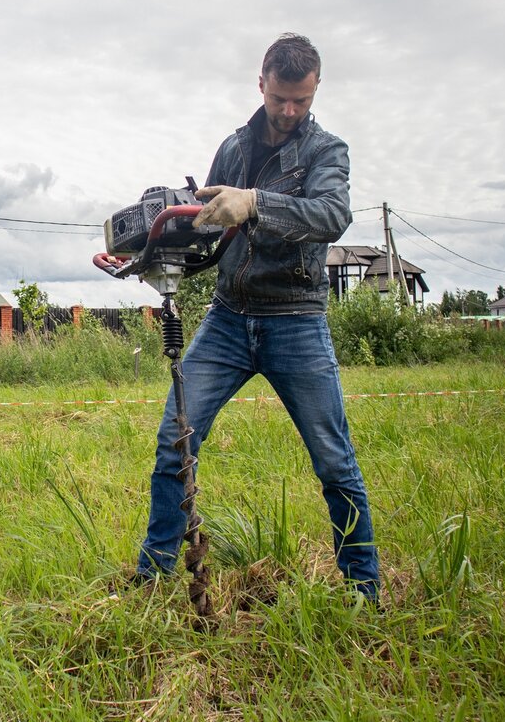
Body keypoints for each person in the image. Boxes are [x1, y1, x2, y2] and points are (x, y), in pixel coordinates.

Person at [134, 33, 380, 601]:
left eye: (302, 101)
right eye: (280, 99)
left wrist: (256, 202)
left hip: (295, 318)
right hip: (227, 319)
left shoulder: (327, 152)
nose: (290, 112)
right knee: (176, 439)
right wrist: (158, 250)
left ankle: (364, 592)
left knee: (333, 458)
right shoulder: (233, 147)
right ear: (261, 83)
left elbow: (330, 213)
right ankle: (151, 579)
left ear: (314, 90)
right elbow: (209, 226)